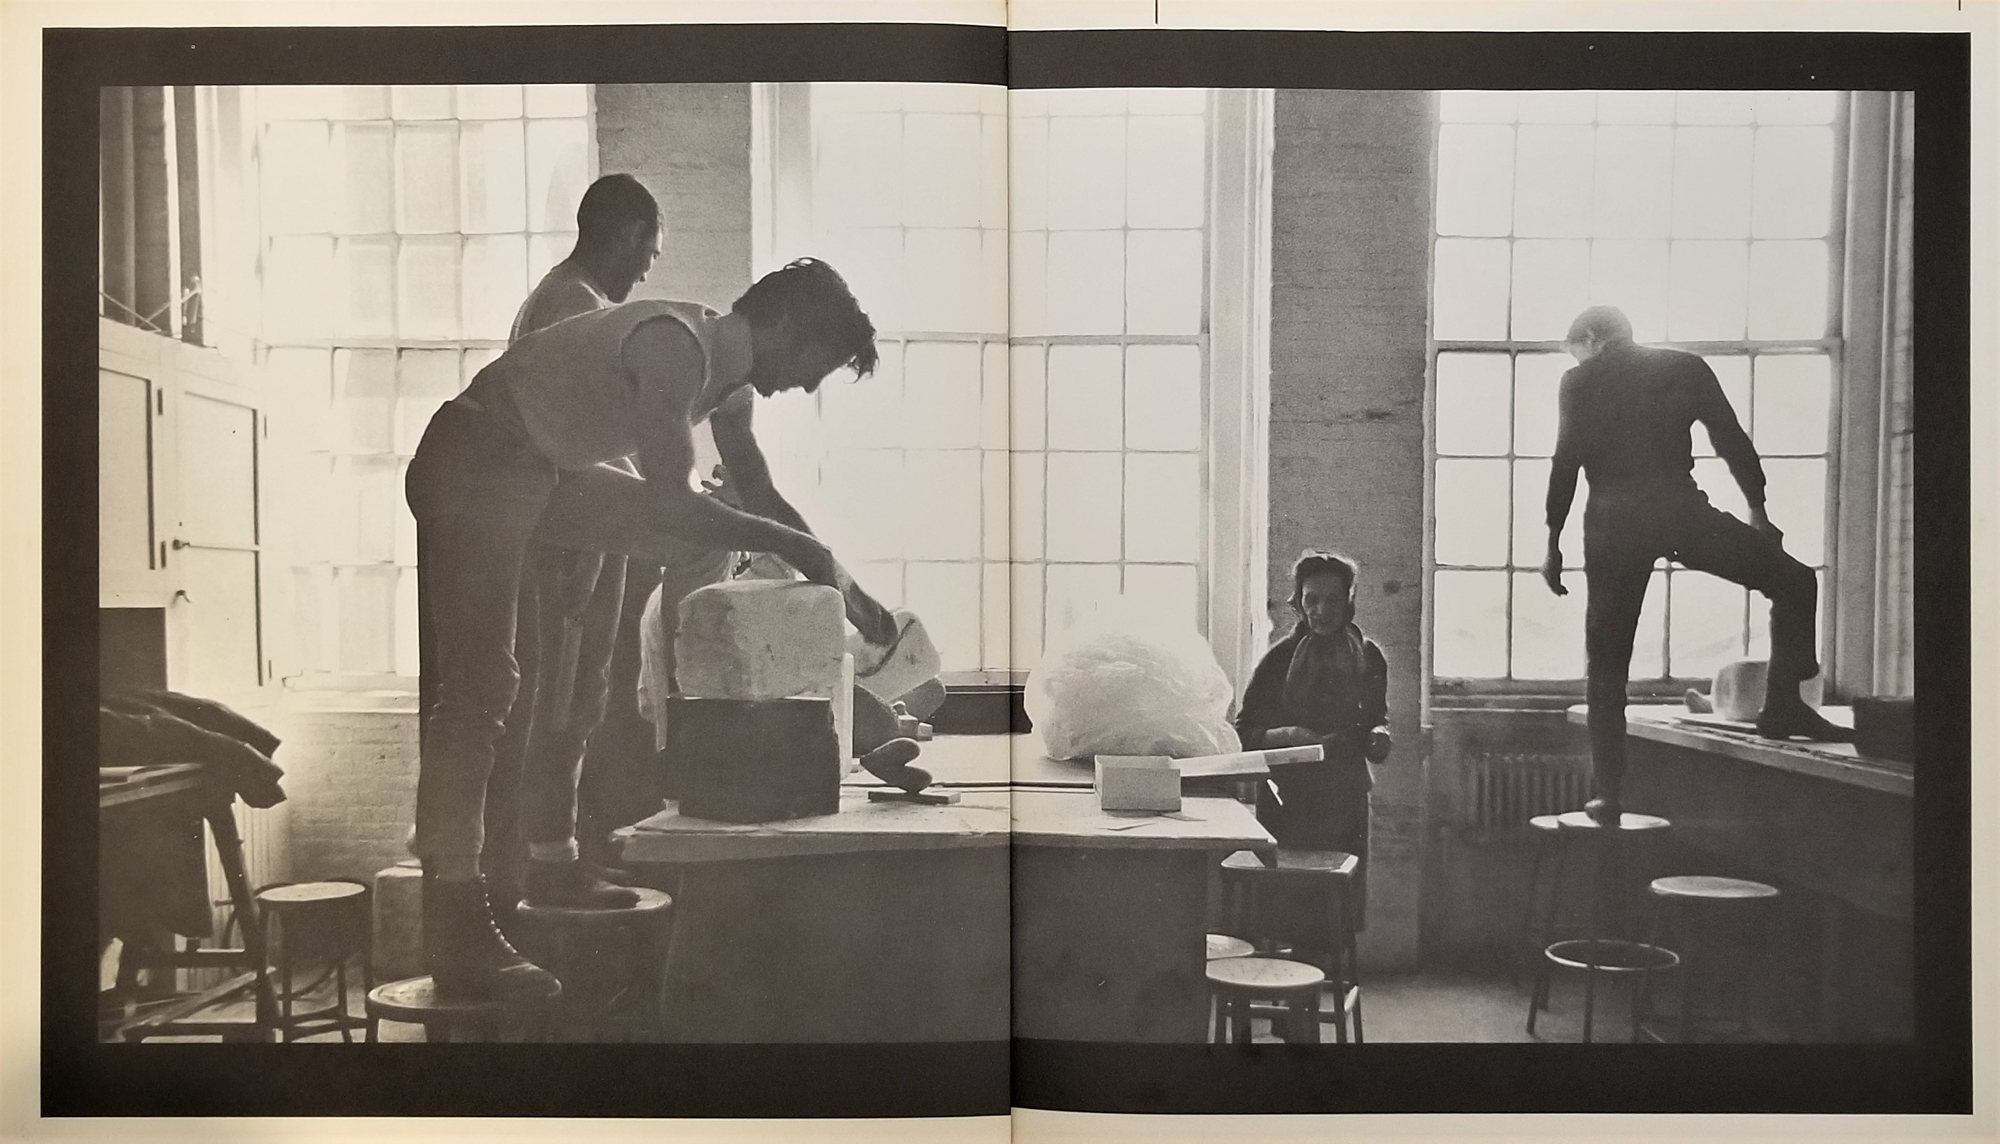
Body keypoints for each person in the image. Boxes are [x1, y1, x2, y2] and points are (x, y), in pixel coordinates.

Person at [405, 257, 898, 999]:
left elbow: (756, 496)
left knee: (706, 540)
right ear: (787, 325)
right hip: (475, 453)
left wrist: (843, 582)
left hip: (543, 469)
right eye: (815, 364)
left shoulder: (727, 390)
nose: (807, 384)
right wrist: (799, 550)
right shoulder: (675, 344)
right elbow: (669, 500)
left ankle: (654, 754)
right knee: (481, 692)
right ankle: (454, 925)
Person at [1541, 305, 1849, 827]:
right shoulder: (1684, 367)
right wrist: (1758, 510)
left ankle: (1609, 793)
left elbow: (1566, 460)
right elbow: (1730, 439)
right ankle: (1782, 704)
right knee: (1795, 580)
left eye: (1576, 348)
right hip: (1679, 512)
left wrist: (1553, 540)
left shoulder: (1578, 382)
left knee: (1608, 661)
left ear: (1590, 338)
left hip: (1613, 524)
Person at [481, 174, 664, 916]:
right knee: (563, 701)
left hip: (585, 524)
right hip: (568, 534)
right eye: (648, 250)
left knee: (572, 700)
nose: (647, 267)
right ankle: (548, 866)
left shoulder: (569, 302)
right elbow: (561, 438)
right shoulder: (571, 308)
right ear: (624, 234)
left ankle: (551, 857)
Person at [1234, 550, 1393, 924]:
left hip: (1344, 798)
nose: (1322, 610)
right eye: (1312, 600)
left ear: (1349, 602)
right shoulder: (1280, 659)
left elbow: (1375, 721)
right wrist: (1287, 735)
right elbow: (1242, 733)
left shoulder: (1368, 657)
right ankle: (1291, 980)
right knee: (1287, 909)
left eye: (1333, 600)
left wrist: (1380, 735)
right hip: (1288, 800)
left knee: (1335, 910)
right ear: (1299, 602)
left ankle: (1329, 976)